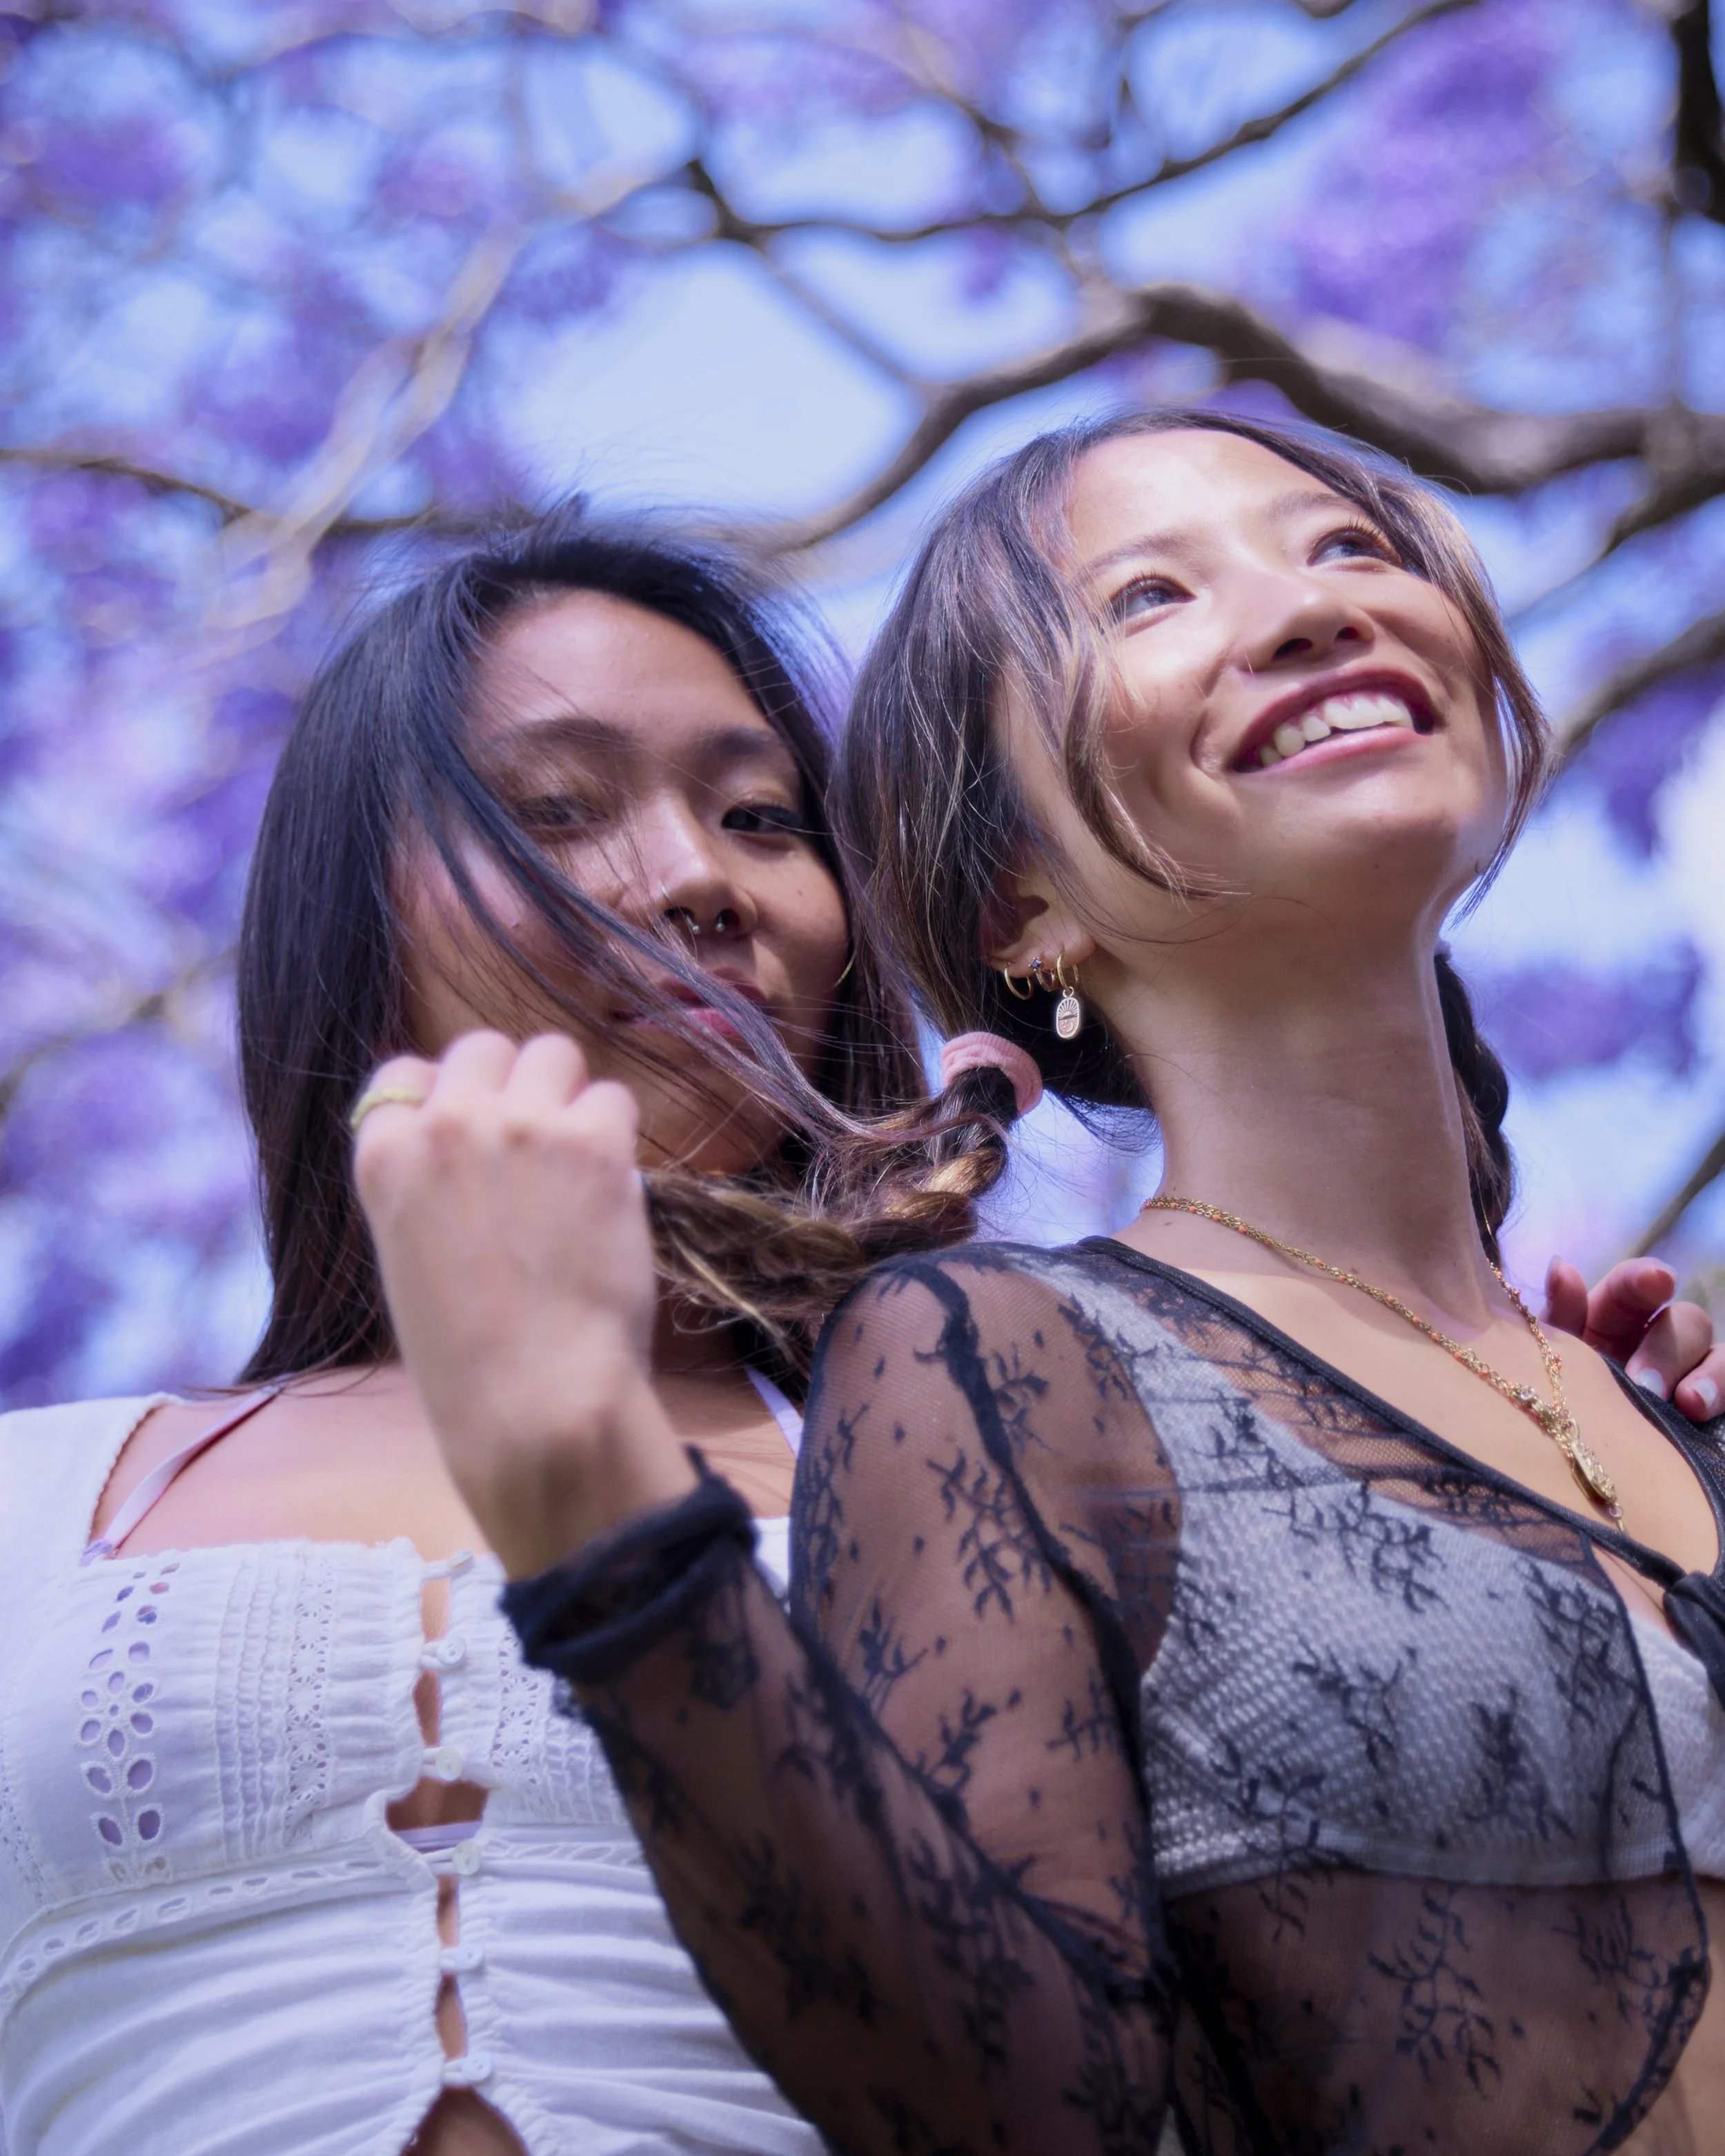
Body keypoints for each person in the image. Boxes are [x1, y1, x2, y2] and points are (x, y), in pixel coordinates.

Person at [351, 411, 1725, 2155]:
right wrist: (601, 1518)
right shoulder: (998, 1363)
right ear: (1015, 899)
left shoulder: (1659, 1402)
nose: (1311, 613)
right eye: (1148, 596)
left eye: (1348, 548)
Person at [0, 504, 1027, 2156]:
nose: (695, 877)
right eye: (554, 809)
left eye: (762, 816)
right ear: (357, 915)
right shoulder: (33, 1496)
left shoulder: (990, 1466)